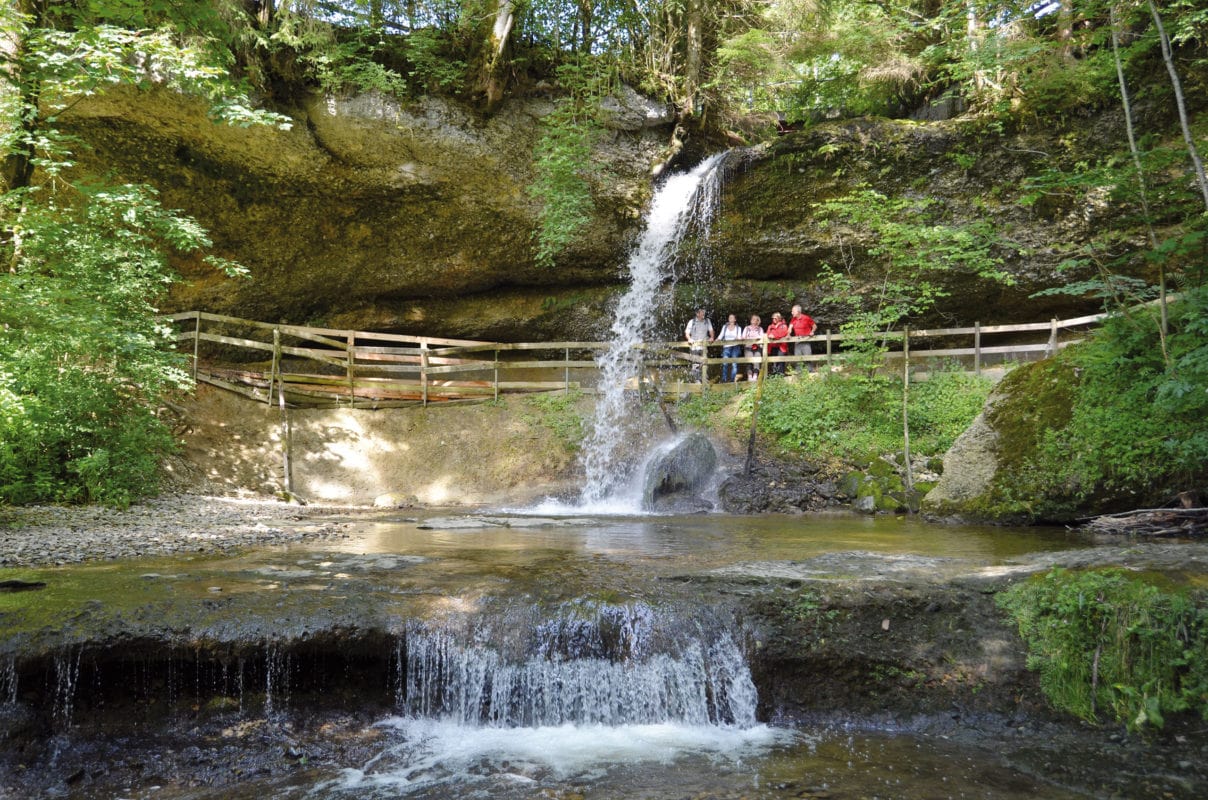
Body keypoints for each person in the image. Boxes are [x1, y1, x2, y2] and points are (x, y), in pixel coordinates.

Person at [684, 308, 714, 382]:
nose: (703, 314)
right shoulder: (692, 322)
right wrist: (689, 339)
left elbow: (711, 330)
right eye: (702, 313)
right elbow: (687, 333)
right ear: (697, 314)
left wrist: (712, 337)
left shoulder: (707, 321)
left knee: (704, 362)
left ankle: (704, 379)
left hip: (703, 346)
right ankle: (697, 380)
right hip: (694, 346)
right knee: (695, 364)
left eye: (704, 312)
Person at [789, 304, 817, 373]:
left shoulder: (806, 318)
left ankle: (810, 372)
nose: (791, 313)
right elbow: (790, 328)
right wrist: (788, 334)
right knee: (797, 358)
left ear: (798, 312)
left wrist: (812, 332)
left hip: (805, 341)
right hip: (797, 341)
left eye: (793, 311)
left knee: (807, 357)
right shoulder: (793, 319)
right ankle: (798, 373)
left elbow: (815, 326)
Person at [717, 313, 743, 382]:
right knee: (725, 363)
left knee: (734, 364)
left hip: (735, 347)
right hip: (726, 347)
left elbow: (740, 337)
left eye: (732, 317)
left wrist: (738, 338)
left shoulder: (738, 328)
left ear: (735, 319)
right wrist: (715, 341)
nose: (730, 319)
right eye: (729, 317)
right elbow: (720, 336)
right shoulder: (724, 327)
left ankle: (732, 380)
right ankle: (724, 379)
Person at [766, 312, 789, 376]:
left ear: (779, 318)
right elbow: (768, 334)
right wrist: (771, 335)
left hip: (781, 346)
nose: (774, 319)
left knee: (781, 360)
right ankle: (774, 375)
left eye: (775, 318)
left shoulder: (783, 325)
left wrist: (774, 336)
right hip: (772, 346)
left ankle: (781, 375)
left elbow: (783, 333)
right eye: (773, 318)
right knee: (774, 361)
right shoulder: (770, 326)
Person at [741, 314, 764, 381]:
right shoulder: (747, 328)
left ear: (758, 321)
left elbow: (762, 337)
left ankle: (755, 375)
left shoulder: (760, 329)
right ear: (751, 320)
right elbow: (743, 337)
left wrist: (756, 338)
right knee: (749, 361)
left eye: (755, 319)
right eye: (752, 319)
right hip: (748, 347)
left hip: (757, 347)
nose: (753, 320)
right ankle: (750, 376)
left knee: (757, 360)